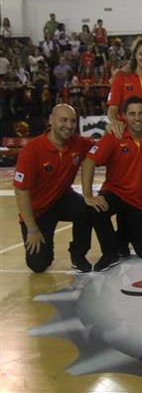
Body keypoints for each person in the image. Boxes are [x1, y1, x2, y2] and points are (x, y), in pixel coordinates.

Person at [82, 96, 142, 272]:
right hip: (115, 193)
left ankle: (122, 236)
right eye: (132, 114)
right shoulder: (114, 135)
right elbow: (89, 161)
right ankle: (110, 252)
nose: (137, 118)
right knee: (94, 209)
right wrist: (88, 195)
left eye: (141, 113)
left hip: (140, 202)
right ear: (123, 116)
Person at [13, 104, 94, 273]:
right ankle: (44, 244)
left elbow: (98, 148)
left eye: (73, 121)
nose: (69, 125)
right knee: (38, 265)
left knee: (88, 208)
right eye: (63, 120)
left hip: (62, 198)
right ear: (51, 120)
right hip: (38, 210)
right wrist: (32, 229)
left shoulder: (79, 143)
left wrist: (111, 128)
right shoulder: (31, 150)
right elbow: (21, 191)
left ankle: (78, 255)